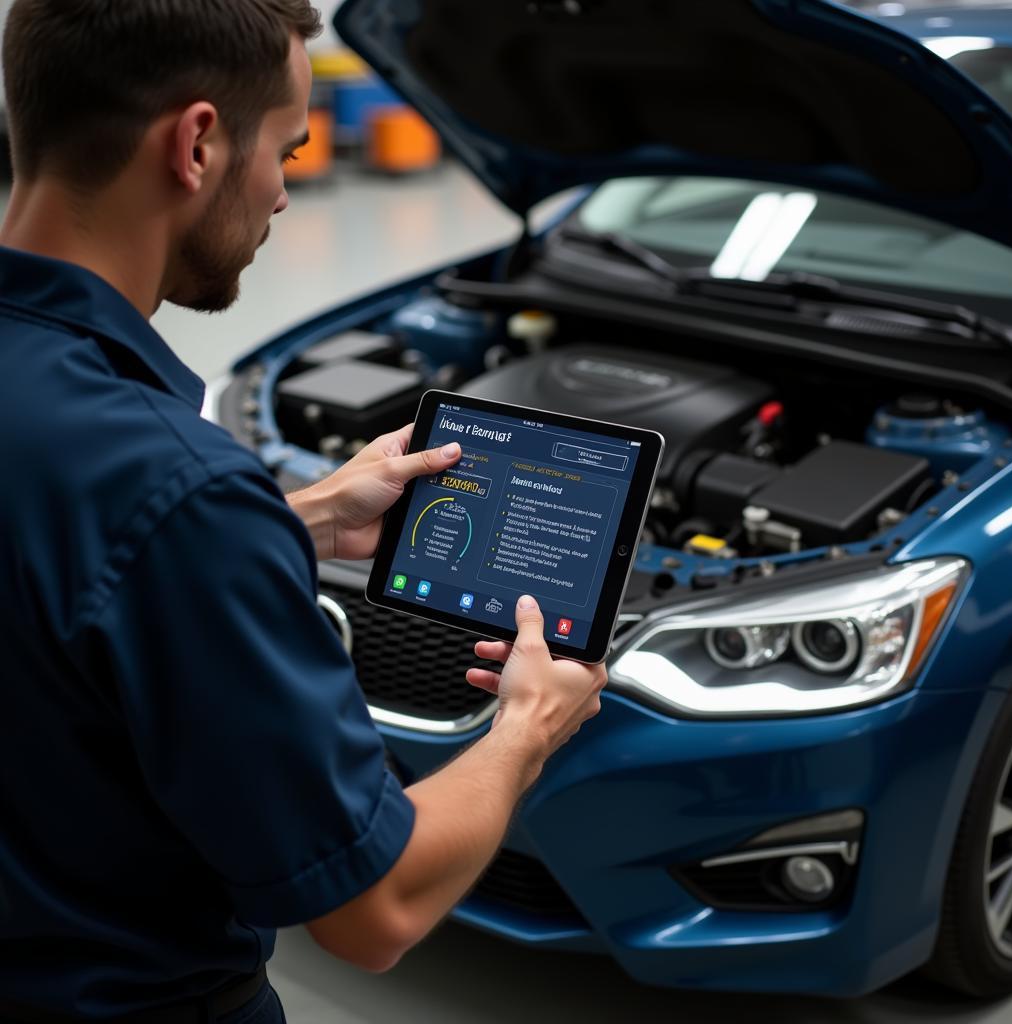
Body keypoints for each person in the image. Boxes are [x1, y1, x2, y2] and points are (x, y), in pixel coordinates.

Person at [0, 2, 607, 1021]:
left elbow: (54, 571)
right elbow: (374, 908)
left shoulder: (145, 483)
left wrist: (306, 516)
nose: (285, 189)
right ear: (196, 143)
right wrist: (529, 726)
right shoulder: (180, 490)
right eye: (287, 147)